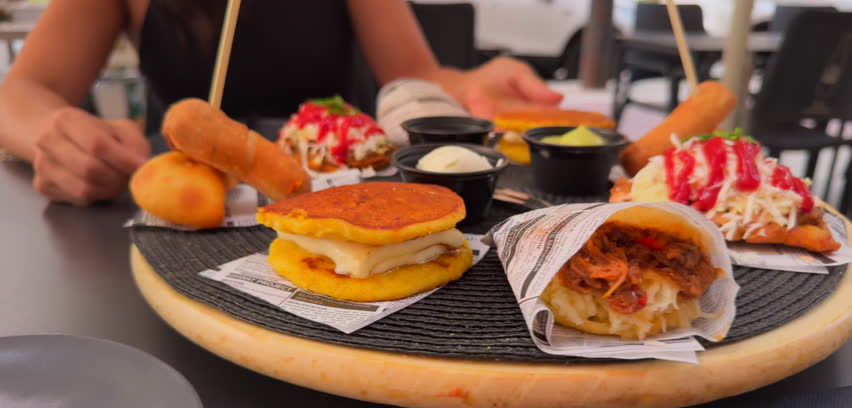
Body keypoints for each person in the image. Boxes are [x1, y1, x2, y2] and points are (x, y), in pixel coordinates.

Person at [0, 0, 563, 206]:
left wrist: (469, 84)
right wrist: (55, 132)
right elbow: (18, 92)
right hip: (189, 216)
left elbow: (417, 74)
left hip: (346, 202)